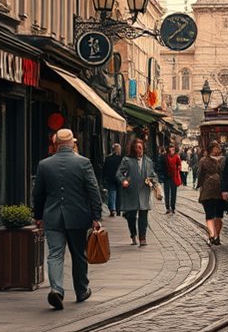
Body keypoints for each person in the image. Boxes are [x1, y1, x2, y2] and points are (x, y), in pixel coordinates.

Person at [32, 129, 102, 310]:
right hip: (78, 217)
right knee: (79, 255)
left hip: (53, 217)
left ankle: (56, 289)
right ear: (71, 144)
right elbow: (93, 191)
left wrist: (38, 216)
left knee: (55, 254)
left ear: (57, 144)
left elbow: (38, 194)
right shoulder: (83, 163)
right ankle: (81, 290)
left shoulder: (44, 165)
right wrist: (96, 216)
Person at [117, 138, 159, 246]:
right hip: (131, 192)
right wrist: (124, 180)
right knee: (130, 215)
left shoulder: (148, 161)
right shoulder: (127, 160)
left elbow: (153, 175)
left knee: (143, 216)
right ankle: (133, 234)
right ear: (134, 149)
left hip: (144, 191)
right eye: (137, 147)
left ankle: (142, 238)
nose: (140, 149)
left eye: (141, 147)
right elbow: (119, 173)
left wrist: (153, 181)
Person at [197, 141, 226, 245]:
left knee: (209, 215)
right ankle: (217, 236)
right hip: (220, 190)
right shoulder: (223, 160)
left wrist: (199, 186)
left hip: (207, 191)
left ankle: (212, 235)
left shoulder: (203, 160)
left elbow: (200, 174)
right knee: (219, 215)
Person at [102, 143, 123, 216]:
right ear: (118, 150)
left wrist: (104, 178)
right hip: (119, 179)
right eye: (119, 149)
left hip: (110, 178)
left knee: (112, 194)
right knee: (119, 195)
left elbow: (104, 169)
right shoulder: (121, 158)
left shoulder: (108, 158)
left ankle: (112, 210)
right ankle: (118, 210)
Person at [162, 144, 183, 213]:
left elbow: (179, 164)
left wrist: (178, 168)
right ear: (168, 149)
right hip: (166, 177)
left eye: (173, 149)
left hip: (174, 177)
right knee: (166, 193)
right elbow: (161, 165)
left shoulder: (176, 157)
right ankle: (167, 207)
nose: (172, 150)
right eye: (171, 149)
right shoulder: (165, 156)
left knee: (173, 193)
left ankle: (173, 207)